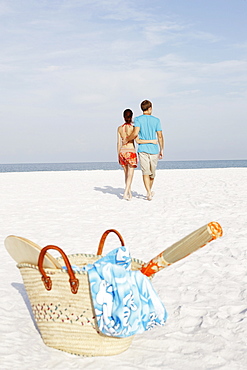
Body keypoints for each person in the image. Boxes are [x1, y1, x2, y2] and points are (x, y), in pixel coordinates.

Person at [124, 100, 164, 201]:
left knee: (147, 173)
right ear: (150, 108)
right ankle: (149, 192)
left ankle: (149, 191)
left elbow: (135, 133)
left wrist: (128, 139)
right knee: (150, 173)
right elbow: (160, 136)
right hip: (152, 149)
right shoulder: (156, 120)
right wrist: (162, 149)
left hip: (143, 149)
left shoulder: (138, 119)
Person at [117, 109, 157, 200]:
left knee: (126, 174)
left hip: (122, 151)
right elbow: (138, 141)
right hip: (131, 151)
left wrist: (118, 154)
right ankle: (126, 192)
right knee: (130, 174)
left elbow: (118, 143)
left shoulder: (119, 128)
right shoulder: (133, 128)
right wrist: (152, 141)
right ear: (131, 117)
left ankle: (129, 193)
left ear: (123, 117)